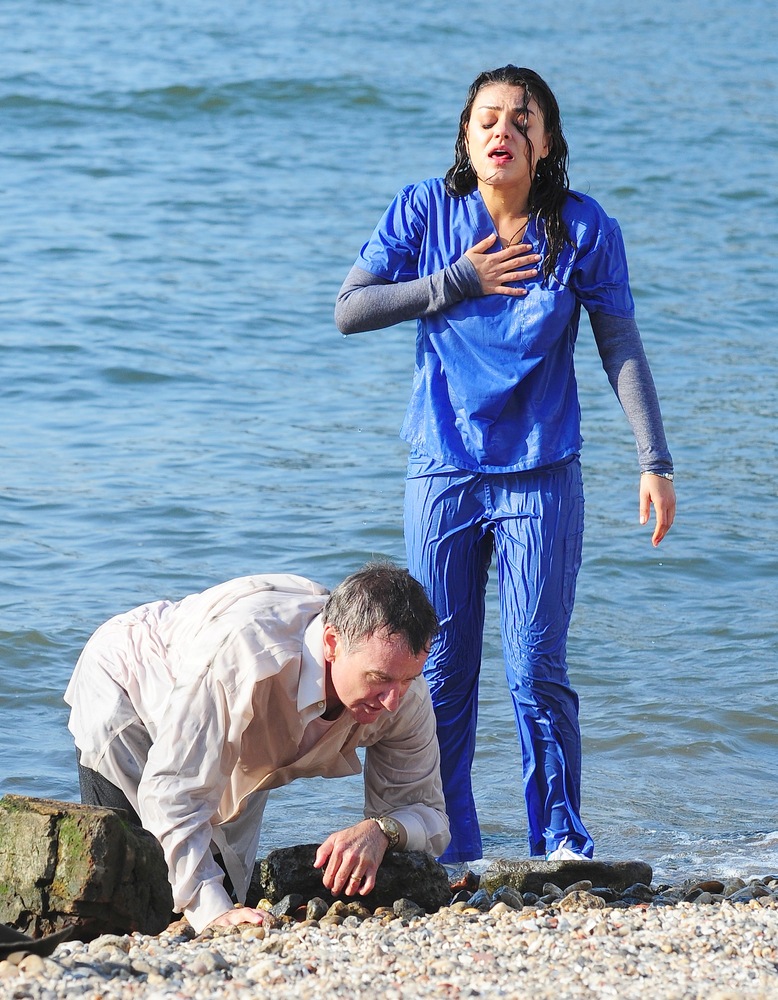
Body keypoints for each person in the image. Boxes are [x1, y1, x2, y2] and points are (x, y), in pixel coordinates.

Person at [335, 65, 675, 868]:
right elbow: (350, 308)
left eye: (524, 120)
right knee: (439, 667)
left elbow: (618, 344)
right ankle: (444, 843)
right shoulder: (425, 211)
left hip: (542, 472)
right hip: (443, 470)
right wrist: (458, 281)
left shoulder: (583, 230)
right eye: (488, 118)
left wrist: (654, 460)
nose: (504, 131)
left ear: (547, 142)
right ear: (465, 135)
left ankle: (560, 842)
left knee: (536, 667)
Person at [65, 563, 449, 933]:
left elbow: (428, 814)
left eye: (407, 679)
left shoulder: (404, 694)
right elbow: (174, 790)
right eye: (379, 679)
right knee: (123, 892)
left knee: (225, 899)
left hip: (239, 739)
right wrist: (209, 908)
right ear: (332, 644)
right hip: (128, 684)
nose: (392, 702)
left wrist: (382, 830)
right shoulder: (246, 658)